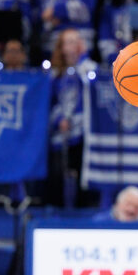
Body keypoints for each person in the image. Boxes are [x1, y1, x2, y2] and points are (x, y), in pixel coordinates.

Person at [46, 29, 95, 207]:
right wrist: (59, 119)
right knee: (58, 173)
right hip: (61, 131)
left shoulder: (87, 67)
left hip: (83, 130)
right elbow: (49, 102)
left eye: (76, 41)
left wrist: (84, 56)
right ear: (62, 47)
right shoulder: (54, 74)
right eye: (69, 42)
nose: (73, 45)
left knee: (81, 172)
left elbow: (93, 81)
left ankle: (82, 211)